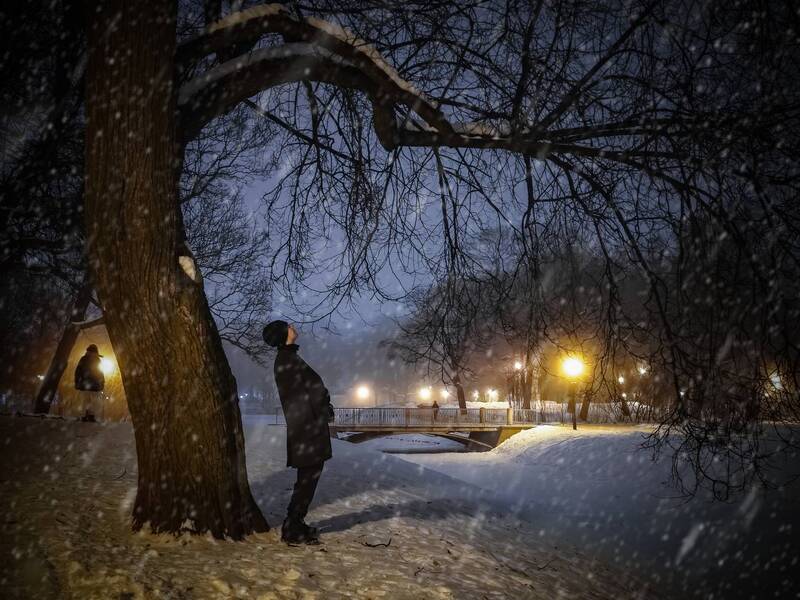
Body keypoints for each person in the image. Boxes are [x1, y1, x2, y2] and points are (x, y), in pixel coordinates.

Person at [263, 320, 334, 544]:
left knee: (308, 477)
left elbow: (307, 392)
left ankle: (295, 523)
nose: (293, 326)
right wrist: (321, 410)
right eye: (288, 326)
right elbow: (300, 396)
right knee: (307, 478)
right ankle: (292, 526)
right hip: (307, 429)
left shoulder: (288, 358)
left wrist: (321, 407)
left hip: (307, 427)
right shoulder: (286, 360)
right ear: (284, 333)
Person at [74, 344, 105, 422]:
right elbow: (100, 372)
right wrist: (102, 382)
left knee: (86, 400)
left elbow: (78, 371)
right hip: (93, 384)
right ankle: (89, 416)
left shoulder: (84, 359)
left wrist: (77, 381)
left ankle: (85, 416)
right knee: (92, 401)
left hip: (86, 384)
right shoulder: (96, 360)